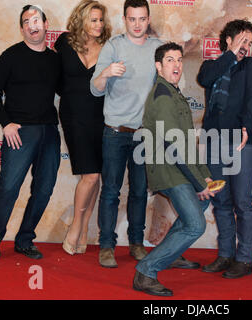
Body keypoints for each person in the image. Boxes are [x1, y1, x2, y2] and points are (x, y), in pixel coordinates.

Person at [134, 42, 213, 297]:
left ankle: (170, 253)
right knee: (196, 225)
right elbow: (174, 147)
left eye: (179, 60)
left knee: (198, 209)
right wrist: (199, 183)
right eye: (169, 60)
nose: (176, 64)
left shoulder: (174, 92)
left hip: (179, 168)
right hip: (169, 170)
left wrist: (205, 176)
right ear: (158, 67)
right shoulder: (163, 95)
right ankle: (146, 270)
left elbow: (188, 142)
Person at [0, 5, 61, 260]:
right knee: (8, 188)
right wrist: (6, 123)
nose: (32, 25)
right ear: (21, 28)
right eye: (26, 21)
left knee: (44, 189)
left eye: (36, 19)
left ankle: (25, 239)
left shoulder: (54, 59)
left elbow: (69, 91)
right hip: (19, 133)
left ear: (46, 24)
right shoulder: (10, 56)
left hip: (49, 132)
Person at [90, 0, 161, 267]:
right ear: (124, 19)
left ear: (148, 19)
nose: (138, 24)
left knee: (140, 191)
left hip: (145, 135)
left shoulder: (157, 48)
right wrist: (106, 72)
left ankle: (136, 243)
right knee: (110, 191)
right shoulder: (113, 46)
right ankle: (106, 245)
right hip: (116, 131)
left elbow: (172, 84)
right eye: (132, 19)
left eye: (142, 19)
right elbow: (95, 89)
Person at [197, 19, 252, 279]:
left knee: (242, 201)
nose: (246, 46)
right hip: (214, 138)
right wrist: (230, 55)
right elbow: (205, 78)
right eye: (242, 40)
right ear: (228, 40)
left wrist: (247, 127)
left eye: (249, 42)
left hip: (241, 141)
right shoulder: (213, 65)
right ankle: (225, 255)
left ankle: (244, 258)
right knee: (220, 199)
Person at [54, 0, 111, 255]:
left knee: (95, 173)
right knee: (89, 174)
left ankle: (85, 225)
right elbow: (53, 77)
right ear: (82, 20)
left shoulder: (110, 47)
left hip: (102, 116)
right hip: (73, 115)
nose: (98, 25)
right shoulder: (64, 43)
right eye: (93, 20)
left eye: (100, 20)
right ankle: (76, 227)